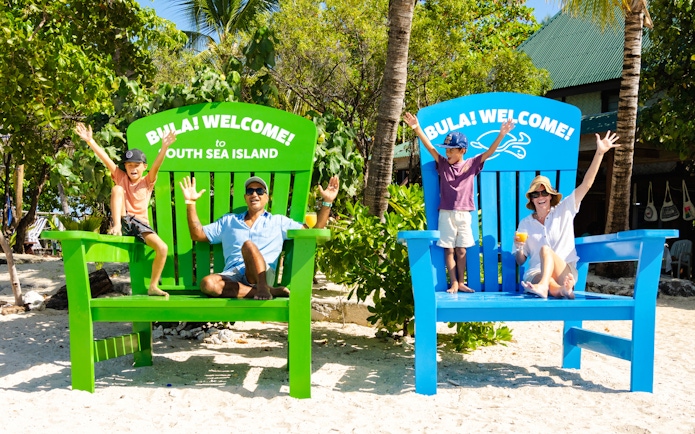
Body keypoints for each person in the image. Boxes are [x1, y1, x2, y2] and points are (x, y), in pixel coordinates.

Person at [179, 174, 340, 300]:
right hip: (233, 275)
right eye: (250, 191)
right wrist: (190, 202)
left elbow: (315, 230)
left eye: (259, 191)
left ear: (267, 197)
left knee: (248, 245)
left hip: (262, 274)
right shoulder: (229, 221)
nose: (254, 194)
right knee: (207, 284)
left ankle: (263, 287)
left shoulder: (279, 222)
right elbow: (197, 234)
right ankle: (265, 292)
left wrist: (327, 202)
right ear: (245, 197)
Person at [404, 112, 515, 293]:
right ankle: (454, 282)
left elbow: (489, 152)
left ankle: (461, 281)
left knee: (461, 250)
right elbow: (430, 147)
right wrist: (416, 128)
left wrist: (502, 134)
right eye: (447, 149)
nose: (447, 153)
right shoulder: (443, 164)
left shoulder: (471, 164)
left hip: (464, 213)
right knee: (448, 250)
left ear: (462, 150)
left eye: (451, 150)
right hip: (446, 213)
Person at [514, 130, 620, 299]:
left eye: (544, 193)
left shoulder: (565, 209)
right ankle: (562, 291)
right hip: (536, 273)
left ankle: (544, 287)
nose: (540, 197)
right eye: (536, 194)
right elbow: (520, 260)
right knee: (541, 279)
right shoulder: (525, 224)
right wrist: (519, 247)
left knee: (545, 250)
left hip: (565, 270)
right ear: (531, 199)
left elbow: (586, 184)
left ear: (551, 196)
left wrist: (600, 153)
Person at [74, 122, 176, 298]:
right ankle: (116, 227)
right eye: (129, 165)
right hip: (123, 220)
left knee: (163, 248)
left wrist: (164, 148)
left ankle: (153, 286)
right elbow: (106, 159)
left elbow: (157, 165)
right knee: (117, 189)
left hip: (140, 225)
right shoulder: (121, 178)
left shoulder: (147, 181)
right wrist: (90, 141)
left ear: (144, 167)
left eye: (136, 165)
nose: (132, 168)